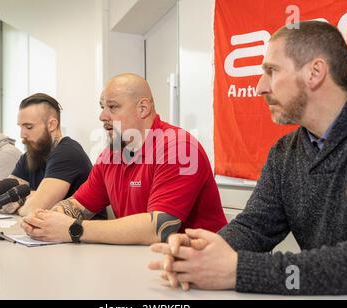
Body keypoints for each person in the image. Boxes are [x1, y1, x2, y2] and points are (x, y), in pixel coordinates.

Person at [148, 21, 347, 295]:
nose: (259, 87)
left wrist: (240, 270)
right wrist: (198, 255)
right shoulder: (284, 152)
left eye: (272, 71)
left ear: (315, 72)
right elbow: (255, 226)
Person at [20, 73, 227, 245]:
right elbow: (78, 205)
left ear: (143, 108)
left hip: (199, 276)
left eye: (113, 107)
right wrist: (45, 221)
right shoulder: (112, 154)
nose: (102, 116)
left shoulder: (180, 147)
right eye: (102, 107)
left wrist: (73, 229)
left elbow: (158, 229)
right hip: (142, 265)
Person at [5, 93, 105, 218]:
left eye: (29, 127)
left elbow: (34, 209)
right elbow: (3, 201)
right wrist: (35, 195)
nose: (22, 134)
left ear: (51, 125)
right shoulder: (29, 156)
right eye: (21, 127)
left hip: (82, 234)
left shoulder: (67, 152)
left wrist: (28, 200)